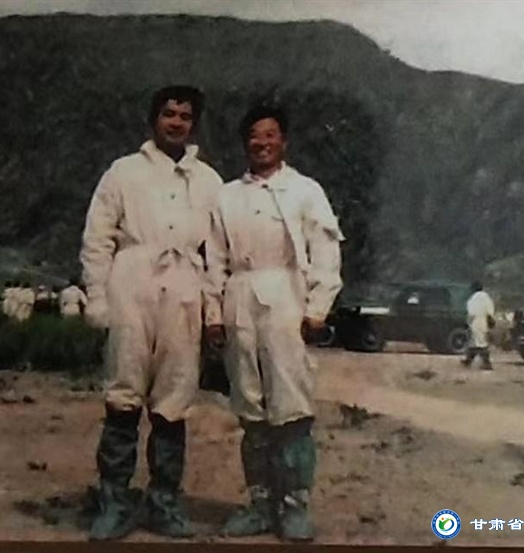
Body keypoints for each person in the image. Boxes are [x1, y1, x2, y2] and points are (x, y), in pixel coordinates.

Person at [80, 85, 223, 541]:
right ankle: (114, 503)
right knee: (123, 393)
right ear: (153, 119)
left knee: (173, 399)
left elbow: (218, 252)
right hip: (132, 285)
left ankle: (163, 504)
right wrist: (98, 296)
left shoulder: (209, 181)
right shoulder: (123, 172)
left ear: (194, 125)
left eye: (185, 116)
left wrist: (212, 308)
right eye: (168, 114)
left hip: (184, 290)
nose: (176, 122)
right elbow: (97, 239)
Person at [203, 104, 344, 542]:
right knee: (251, 405)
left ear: (284, 141)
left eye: (270, 135)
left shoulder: (305, 190)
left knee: (291, 405)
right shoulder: (227, 195)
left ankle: (295, 504)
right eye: (254, 136)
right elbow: (215, 259)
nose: (261, 143)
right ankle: (260, 504)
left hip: (287, 297)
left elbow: (326, 252)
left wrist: (317, 307)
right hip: (239, 299)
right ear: (244, 143)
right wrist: (213, 314)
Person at [462, 280, 496, 370]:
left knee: (478, 343)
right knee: (478, 342)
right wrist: (491, 322)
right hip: (484, 322)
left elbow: (471, 313)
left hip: (475, 323)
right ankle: (468, 361)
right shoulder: (487, 297)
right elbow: (490, 311)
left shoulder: (473, 298)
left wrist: (467, 323)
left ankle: (487, 363)